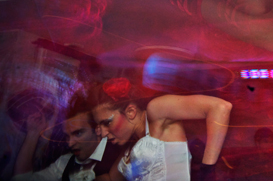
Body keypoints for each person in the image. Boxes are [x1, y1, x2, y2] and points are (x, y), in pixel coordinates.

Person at [88, 77, 232, 181]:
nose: (104, 132)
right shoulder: (129, 147)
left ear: (131, 112)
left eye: (107, 123)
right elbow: (110, 178)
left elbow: (220, 108)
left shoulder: (156, 111)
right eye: (99, 125)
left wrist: (207, 171)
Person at [12, 93, 122, 181]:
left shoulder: (120, 157)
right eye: (67, 136)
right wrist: (33, 133)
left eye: (78, 133)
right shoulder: (65, 162)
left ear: (97, 130)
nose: (70, 143)